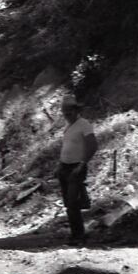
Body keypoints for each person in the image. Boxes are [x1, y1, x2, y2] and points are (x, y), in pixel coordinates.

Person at [55, 99, 101, 246]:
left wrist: (82, 164)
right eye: (65, 113)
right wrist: (59, 165)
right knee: (69, 203)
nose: (67, 116)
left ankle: (79, 236)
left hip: (76, 167)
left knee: (73, 202)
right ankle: (76, 234)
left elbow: (93, 145)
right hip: (65, 167)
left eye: (69, 113)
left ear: (76, 111)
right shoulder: (69, 127)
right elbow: (67, 147)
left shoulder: (84, 125)